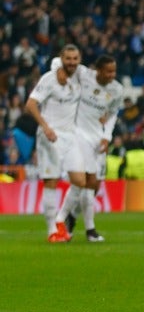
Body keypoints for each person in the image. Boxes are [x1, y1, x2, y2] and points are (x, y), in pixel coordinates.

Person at [49, 54, 123, 242]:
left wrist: (107, 136)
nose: (112, 75)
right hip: (77, 135)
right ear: (98, 70)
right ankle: (80, 227)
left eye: (114, 71)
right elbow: (59, 61)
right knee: (82, 182)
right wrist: (59, 71)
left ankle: (71, 218)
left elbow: (113, 114)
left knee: (93, 186)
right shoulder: (84, 74)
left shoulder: (117, 90)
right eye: (108, 71)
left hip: (97, 140)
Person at [24, 44, 87, 242]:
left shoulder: (81, 77)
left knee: (80, 181)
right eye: (68, 59)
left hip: (70, 136)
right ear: (62, 58)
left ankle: (60, 219)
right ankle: (52, 231)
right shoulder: (49, 79)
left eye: (75, 59)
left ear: (79, 59)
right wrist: (45, 126)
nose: (72, 62)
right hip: (49, 136)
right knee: (51, 182)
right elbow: (30, 104)